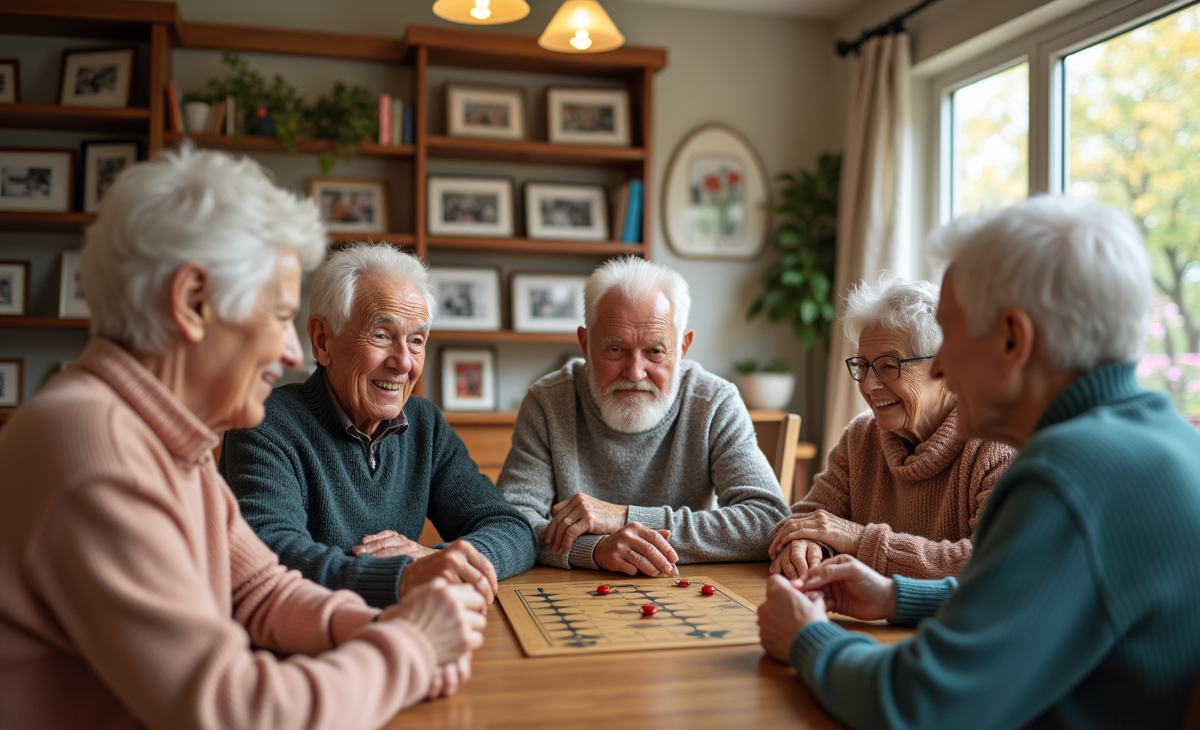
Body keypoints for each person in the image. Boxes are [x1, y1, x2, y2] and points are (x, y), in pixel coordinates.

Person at [0, 146, 488, 730]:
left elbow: (260, 590)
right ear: (193, 301)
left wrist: (381, 626)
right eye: (280, 316)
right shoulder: (95, 447)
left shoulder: (168, 437)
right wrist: (412, 648)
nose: (290, 351)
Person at [757, 196, 1200, 730]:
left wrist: (806, 638)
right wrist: (896, 596)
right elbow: (1031, 603)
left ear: (1013, 339)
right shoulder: (1165, 439)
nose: (942, 368)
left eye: (953, 334)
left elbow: (920, 708)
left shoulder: (1064, 475)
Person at [220, 243, 537, 608]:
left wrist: (435, 560)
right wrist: (403, 576)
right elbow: (270, 553)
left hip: (403, 626)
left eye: (416, 341)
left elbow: (512, 529)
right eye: (382, 335)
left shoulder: (425, 424)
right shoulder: (264, 421)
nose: (404, 362)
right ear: (322, 340)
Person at [498, 256, 791, 575]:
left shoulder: (715, 402)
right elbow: (510, 522)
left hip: (685, 588)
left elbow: (769, 521)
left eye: (655, 351)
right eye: (615, 349)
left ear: (682, 348)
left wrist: (623, 517)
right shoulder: (548, 401)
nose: (635, 372)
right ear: (586, 344)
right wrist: (596, 549)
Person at [769, 276, 1015, 580]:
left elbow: (993, 563)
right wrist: (805, 543)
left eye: (889, 366)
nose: (868, 385)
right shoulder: (862, 437)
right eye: (862, 365)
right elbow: (804, 521)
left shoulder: (998, 445)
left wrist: (860, 540)